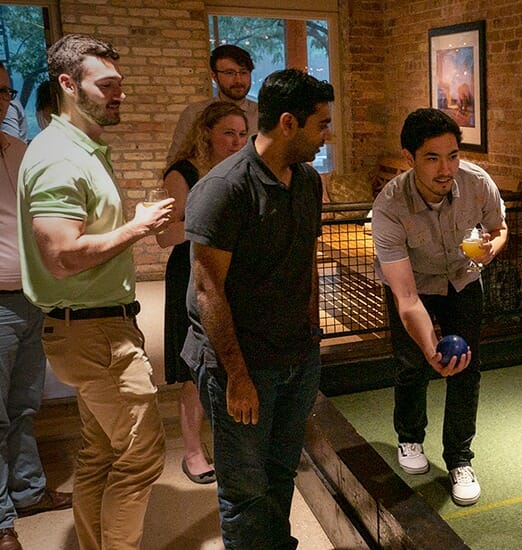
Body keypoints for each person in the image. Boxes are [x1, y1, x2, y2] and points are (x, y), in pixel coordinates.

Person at [17, 34, 172, 549]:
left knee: (100, 453)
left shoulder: (80, 149)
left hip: (94, 327)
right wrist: (139, 226)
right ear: (68, 85)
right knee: (142, 456)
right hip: (94, 333)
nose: (118, 94)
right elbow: (60, 256)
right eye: (106, 85)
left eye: (119, 84)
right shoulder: (60, 156)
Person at [181, 69, 333, 549]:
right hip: (241, 363)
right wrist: (237, 376)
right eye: (321, 124)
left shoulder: (307, 181)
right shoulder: (224, 188)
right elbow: (208, 291)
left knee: (281, 472)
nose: (327, 134)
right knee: (245, 490)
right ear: (289, 123)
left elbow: (306, 258)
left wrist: (312, 336)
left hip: (294, 356)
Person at [371, 108, 507, 507]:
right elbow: (407, 298)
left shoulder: (478, 184)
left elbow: (499, 231)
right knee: (413, 365)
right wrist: (430, 346)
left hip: (463, 281)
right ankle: (410, 437)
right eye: (432, 158)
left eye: (452, 156)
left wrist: (487, 254)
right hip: (415, 287)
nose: (445, 168)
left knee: (467, 369)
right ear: (409, 158)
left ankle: (460, 460)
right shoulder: (389, 205)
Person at [0, 61, 72, 550]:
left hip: (29, 297)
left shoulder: (20, 150)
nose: (0, 98)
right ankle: (2, 516)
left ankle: (28, 491)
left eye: (3, 90)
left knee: (25, 406)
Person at [157, 101, 248, 484]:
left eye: (243, 134)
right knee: (193, 369)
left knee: (231, 358)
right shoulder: (184, 173)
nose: (236, 141)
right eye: (228, 133)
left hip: (232, 273)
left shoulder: (242, 170)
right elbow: (165, 235)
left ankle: (234, 442)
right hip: (191, 273)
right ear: (206, 133)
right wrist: (214, 221)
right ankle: (192, 450)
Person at [166, 44, 257, 165]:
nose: (238, 80)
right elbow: (175, 161)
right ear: (214, 76)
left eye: (244, 72)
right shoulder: (195, 113)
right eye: (230, 73)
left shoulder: (263, 114)